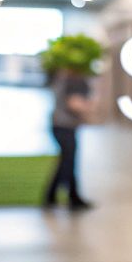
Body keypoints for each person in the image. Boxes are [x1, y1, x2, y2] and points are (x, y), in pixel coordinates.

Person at [43, 67, 95, 209]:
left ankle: (52, 196)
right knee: (68, 162)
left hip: (57, 124)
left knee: (65, 161)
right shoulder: (74, 81)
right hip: (65, 125)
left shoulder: (60, 77)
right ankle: (71, 197)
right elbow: (74, 103)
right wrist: (90, 108)